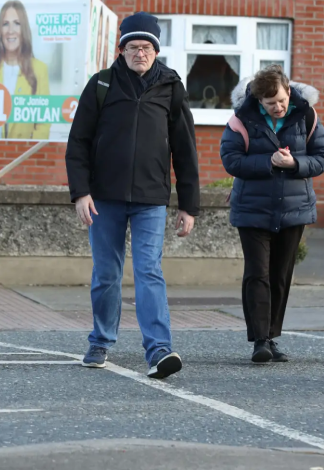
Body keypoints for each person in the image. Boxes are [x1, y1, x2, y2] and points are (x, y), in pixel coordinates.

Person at [65, 11, 199, 379]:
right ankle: (100, 341)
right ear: (121, 49)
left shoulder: (171, 87)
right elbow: (78, 143)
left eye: (147, 47)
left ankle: (159, 350)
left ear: (156, 51)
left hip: (151, 199)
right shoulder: (101, 85)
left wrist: (188, 205)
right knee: (106, 274)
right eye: (132, 47)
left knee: (148, 271)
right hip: (103, 198)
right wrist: (81, 193)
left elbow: (185, 149)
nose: (140, 53)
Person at [220, 65, 324, 363]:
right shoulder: (241, 119)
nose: (278, 107)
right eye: (271, 104)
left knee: (281, 275)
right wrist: (269, 161)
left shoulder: (306, 115)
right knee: (258, 273)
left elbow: (323, 158)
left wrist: (294, 163)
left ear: (288, 91)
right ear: (259, 101)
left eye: (282, 100)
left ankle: (271, 335)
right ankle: (259, 340)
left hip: (294, 209)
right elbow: (230, 160)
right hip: (251, 209)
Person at [0, 0, 50, 140]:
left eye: (17, 23)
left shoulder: (39, 70)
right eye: (5, 24)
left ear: (24, 29)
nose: (11, 30)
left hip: (24, 155)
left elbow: (43, 125)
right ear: (0, 30)